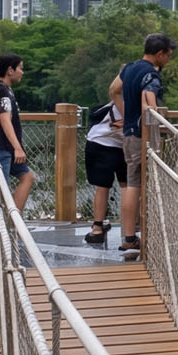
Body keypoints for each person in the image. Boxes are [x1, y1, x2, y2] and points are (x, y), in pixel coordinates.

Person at [114, 33, 174, 260]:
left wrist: (125, 115)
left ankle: (129, 238)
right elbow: (147, 101)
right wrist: (158, 117)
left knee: (132, 184)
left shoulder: (129, 68)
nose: (168, 60)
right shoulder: (151, 74)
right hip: (143, 135)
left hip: (129, 134)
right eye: (168, 56)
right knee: (145, 185)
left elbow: (114, 89)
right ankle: (149, 235)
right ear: (159, 54)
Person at [0, 53, 34, 210]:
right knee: (2, 191)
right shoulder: (1, 91)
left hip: (6, 149)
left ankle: (13, 219)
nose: (22, 72)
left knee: (27, 177)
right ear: (10, 70)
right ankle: (7, 220)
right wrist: (17, 148)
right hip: (2, 149)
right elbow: (5, 120)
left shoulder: (2, 89)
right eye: (20, 68)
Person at [79, 98, 125, 245]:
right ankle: (129, 229)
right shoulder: (138, 98)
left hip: (101, 141)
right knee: (127, 186)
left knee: (104, 186)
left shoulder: (120, 98)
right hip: (109, 143)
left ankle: (97, 228)